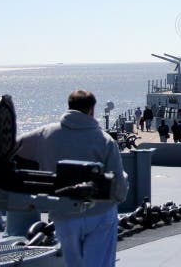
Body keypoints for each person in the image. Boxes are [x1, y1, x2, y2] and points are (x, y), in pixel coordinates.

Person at [17, 90, 128, 267]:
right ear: (92, 110)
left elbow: (14, 147)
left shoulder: (46, 134)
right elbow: (119, 188)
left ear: (69, 107)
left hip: (64, 214)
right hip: (99, 214)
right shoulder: (104, 140)